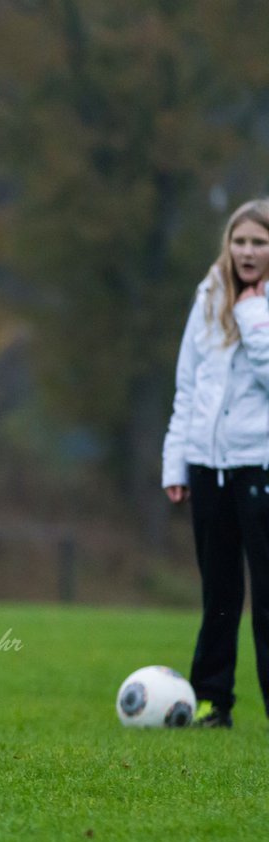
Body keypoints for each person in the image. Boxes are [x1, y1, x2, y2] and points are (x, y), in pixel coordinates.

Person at [162, 198, 269, 729]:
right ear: (227, 245)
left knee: (267, 599)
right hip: (207, 467)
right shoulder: (207, 296)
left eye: (260, 241)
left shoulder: (261, 308)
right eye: (240, 240)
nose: (248, 251)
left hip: (260, 468)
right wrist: (176, 463)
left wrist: (252, 315)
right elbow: (188, 385)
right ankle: (211, 701)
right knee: (219, 594)